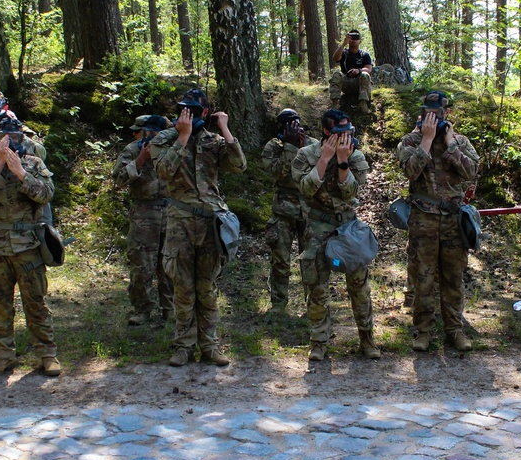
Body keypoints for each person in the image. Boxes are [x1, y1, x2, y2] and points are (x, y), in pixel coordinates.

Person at [149, 89, 247, 367]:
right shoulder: (164, 139)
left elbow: (239, 165)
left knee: (207, 287)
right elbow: (163, 172)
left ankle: (210, 346)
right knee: (183, 287)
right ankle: (183, 346)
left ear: (205, 112)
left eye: (194, 110)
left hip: (209, 222)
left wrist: (225, 129)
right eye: (184, 109)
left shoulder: (214, 141)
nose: (188, 114)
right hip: (180, 222)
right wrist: (181, 136)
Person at [0, 117, 60, 378]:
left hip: (28, 248)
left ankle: (47, 355)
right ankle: (3, 356)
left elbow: (45, 194)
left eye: (16, 137)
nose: (12, 142)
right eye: (6, 138)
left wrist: (20, 172)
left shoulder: (34, 164)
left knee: (36, 304)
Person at [291, 109, 379, 361]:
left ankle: (367, 339)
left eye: (349, 130)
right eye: (340, 132)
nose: (346, 136)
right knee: (317, 289)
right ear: (327, 132)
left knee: (359, 287)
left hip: (348, 228)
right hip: (318, 227)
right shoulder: (305, 155)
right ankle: (319, 343)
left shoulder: (355, 156)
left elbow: (351, 193)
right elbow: (306, 189)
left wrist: (342, 162)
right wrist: (324, 159)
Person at [396, 92, 480, 352]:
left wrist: (449, 143)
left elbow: (471, 172)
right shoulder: (410, 141)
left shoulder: (460, 141)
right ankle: (423, 331)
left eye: (437, 112)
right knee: (423, 277)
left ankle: (454, 330)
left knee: (453, 277)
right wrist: (427, 140)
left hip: (453, 219)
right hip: (423, 219)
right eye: (427, 112)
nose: (431, 117)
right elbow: (409, 170)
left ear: (447, 114)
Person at [112, 114, 174, 326]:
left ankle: (170, 309)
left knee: (170, 266)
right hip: (143, 214)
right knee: (141, 266)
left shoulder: (171, 148)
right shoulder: (131, 150)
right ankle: (142, 309)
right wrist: (141, 159)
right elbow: (118, 179)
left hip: (170, 213)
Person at [260, 108, 318, 314]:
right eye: (290, 124)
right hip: (283, 210)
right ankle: (278, 304)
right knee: (280, 260)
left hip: (309, 209)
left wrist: (301, 147)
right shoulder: (273, 146)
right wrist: (290, 148)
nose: (296, 128)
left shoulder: (312, 144)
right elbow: (278, 173)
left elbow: (316, 173)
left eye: (297, 123)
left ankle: (313, 303)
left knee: (310, 260)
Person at [330, 30, 374, 115]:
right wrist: (343, 44)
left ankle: (363, 103)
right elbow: (335, 58)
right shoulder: (344, 53)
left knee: (365, 74)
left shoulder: (364, 55)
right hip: (346, 83)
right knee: (336, 74)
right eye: (351, 37)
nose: (354, 40)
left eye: (356, 37)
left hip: (359, 84)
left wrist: (359, 70)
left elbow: (369, 69)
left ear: (360, 40)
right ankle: (335, 104)